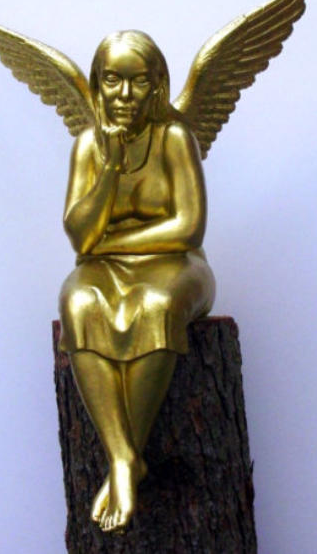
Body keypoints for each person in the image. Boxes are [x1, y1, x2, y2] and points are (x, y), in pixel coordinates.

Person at [58, 30, 215, 532]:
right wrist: (109, 168)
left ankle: (124, 462)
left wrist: (109, 245)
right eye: (112, 80)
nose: (124, 95)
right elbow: (80, 234)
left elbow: (188, 227)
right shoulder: (89, 145)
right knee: (78, 303)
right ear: (97, 85)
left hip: (179, 264)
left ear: (157, 86)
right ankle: (124, 458)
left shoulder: (175, 139)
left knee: (156, 306)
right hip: (102, 269)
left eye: (138, 81)